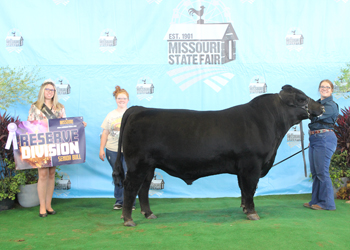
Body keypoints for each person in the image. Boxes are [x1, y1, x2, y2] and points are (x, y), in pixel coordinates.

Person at [304, 79, 339, 211]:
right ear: (319, 89)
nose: (324, 89)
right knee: (315, 172)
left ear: (331, 90)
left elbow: (316, 116)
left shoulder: (331, 105)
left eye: (327, 87)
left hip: (324, 138)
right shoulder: (316, 104)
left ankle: (327, 203)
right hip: (315, 138)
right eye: (322, 87)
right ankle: (316, 200)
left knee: (322, 172)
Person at [99, 86, 135, 210]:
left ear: (128, 100)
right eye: (119, 98)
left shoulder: (132, 114)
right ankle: (119, 201)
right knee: (118, 174)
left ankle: (130, 202)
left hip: (129, 150)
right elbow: (105, 132)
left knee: (128, 174)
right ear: (116, 100)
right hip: (113, 149)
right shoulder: (111, 115)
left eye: (124, 98)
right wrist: (101, 149)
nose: (121, 100)